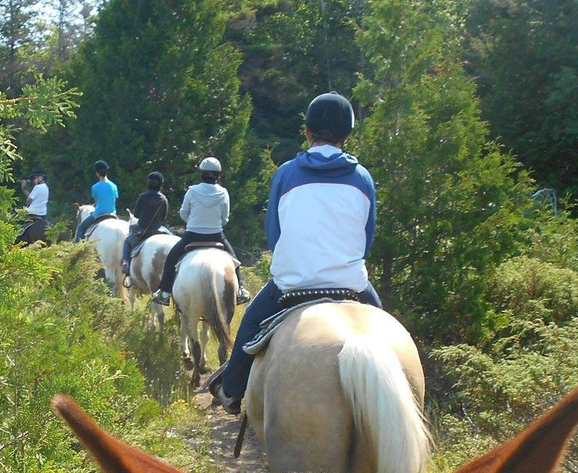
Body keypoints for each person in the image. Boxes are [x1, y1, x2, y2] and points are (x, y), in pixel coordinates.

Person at [209, 91, 382, 415]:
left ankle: (231, 390)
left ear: (308, 132)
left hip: (292, 286)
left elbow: (275, 235)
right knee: (384, 328)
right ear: (347, 136)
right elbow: (366, 239)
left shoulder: (286, 174)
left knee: (249, 323)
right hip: (350, 285)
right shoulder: (363, 178)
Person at [152, 157, 249, 306]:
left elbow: (183, 213)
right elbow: (225, 218)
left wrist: (193, 223)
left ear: (201, 173)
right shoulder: (223, 193)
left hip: (192, 235)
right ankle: (240, 290)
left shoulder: (192, 191)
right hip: (216, 234)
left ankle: (164, 292)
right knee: (235, 261)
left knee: (172, 258)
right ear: (218, 175)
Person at [121, 171, 169, 280]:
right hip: (157, 229)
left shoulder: (142, 197)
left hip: (142, 229)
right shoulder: (164, 199)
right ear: (160, 185)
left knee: (127, 242)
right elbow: (163, 218)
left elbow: (137, 215)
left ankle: (125, 263)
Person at [74, 159, 119, 241]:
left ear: (97, 173)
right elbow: (114, 201)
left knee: (81, 228)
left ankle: (78, 251)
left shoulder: (95, 187)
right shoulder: (114, 186)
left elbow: (97, 202)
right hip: (112, 214)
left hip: (98, 214)